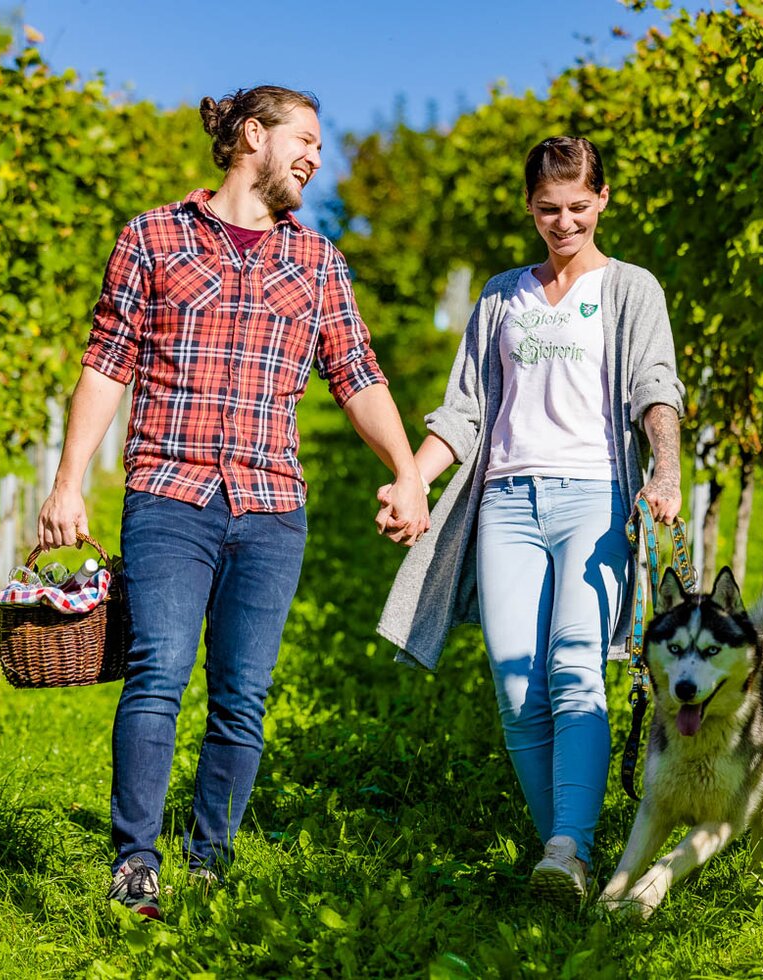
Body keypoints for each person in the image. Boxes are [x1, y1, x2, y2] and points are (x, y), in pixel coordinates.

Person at [37, 85, 429, 920]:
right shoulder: (153, 237)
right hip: (171, 493)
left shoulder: (317, 262)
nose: (317, 158)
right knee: (159, 671)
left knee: (243, 693)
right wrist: (69, 479)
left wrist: (406, 467)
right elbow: (107, 362)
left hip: (271, 506)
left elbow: (356, 373)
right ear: (253, 135)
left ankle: (209, 861)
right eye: (308, 140)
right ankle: (135, 861)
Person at [376, 136, 683, 906]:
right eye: (549, 209)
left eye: (579, 206)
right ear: (530, 209)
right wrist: (412, 479)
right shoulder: (500, 295)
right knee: (519, 688)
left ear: (603, 200)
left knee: (576, 673)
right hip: (506, 506)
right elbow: (466, 412)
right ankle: (571, 863)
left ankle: (566, 847)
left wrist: (667, 468)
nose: (565, 222)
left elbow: (655, 385)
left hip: (595, 500)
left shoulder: (631, 288)